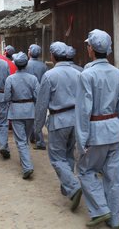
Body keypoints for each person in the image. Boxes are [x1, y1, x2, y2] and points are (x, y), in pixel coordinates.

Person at [75, 29, 119, 229]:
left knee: (86, 170)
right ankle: (115, 219)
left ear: (91, 49)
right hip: (114, 129)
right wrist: (116, 125)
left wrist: (81, 140)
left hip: (95, 131)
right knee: (114, 177)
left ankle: (101, 209)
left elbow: (83, 111)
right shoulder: (118, 73)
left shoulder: (86, 75)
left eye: (88, 45)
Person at [35, 41, 82, 210]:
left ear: (53, 56)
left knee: (56, 158)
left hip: (59, 120)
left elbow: (42, 105)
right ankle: (69, 188)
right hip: (76, 119)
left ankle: (74, 186)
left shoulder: (50, 75)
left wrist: (37, 127)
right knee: (69, 154)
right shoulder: (79, 73)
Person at [3, 52, 39, 179]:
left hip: (16, 111)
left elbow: (6, 97)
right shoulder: (33, 78)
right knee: (26, 139)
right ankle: (26, 161)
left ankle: (27, 167)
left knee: (21, 140)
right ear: (26, 64)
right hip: (30, 111)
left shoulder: (10, 79)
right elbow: (37, 96)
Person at [26, 43, 48, 150]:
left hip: (27, 95)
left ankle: (39, 141)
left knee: (31, 118)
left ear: (30, 52)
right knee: (38, 117)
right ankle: (34, 137)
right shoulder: (43, 66)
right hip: (40, 94)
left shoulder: (26, 65)